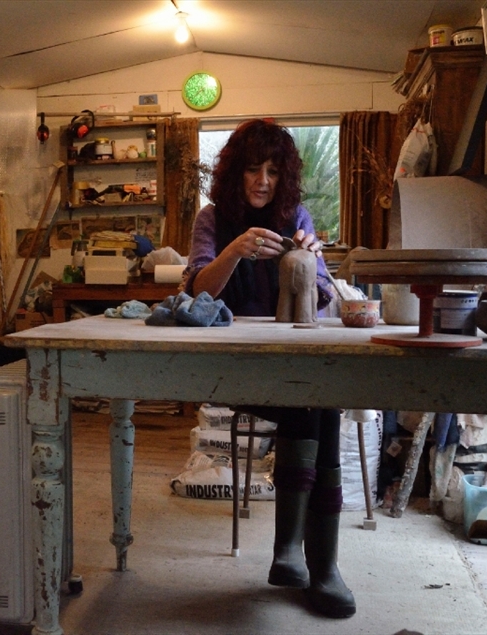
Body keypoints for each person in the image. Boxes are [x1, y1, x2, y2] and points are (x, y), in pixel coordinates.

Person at [181, 118, 355, 619]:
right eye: (253, 169)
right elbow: (198, 292)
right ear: (235, 172)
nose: (262, 180)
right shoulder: (213, 220)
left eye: (273, 171)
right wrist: (235, 250)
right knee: (313, 408)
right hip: (234, 367)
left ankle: (311, 562)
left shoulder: (295, 213)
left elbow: (322, 298)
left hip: (287, 364)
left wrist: (311, 261)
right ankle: (308, 561)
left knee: (322, 406)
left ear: (285, 178)